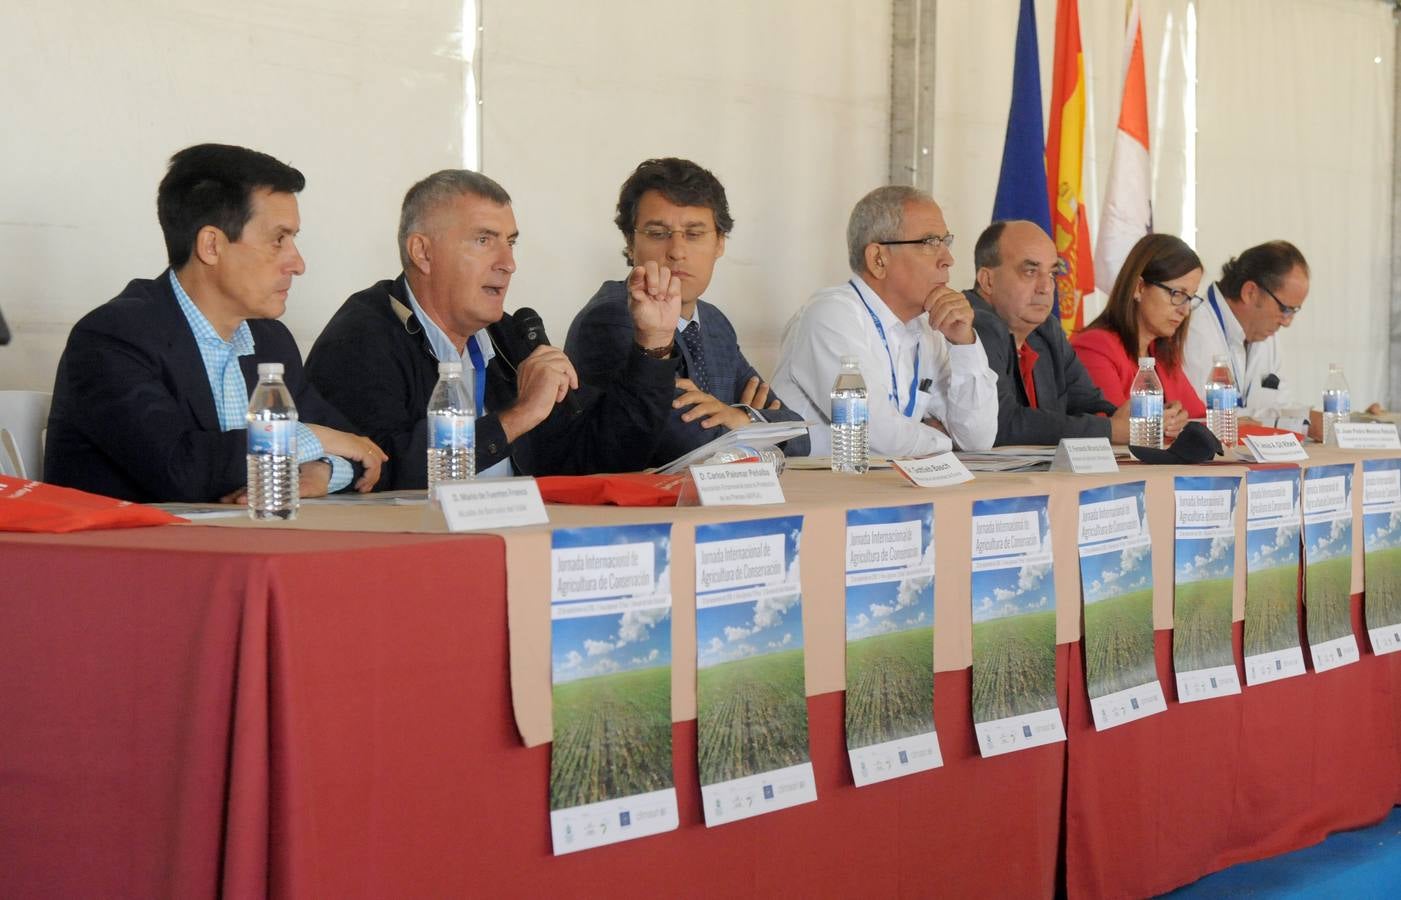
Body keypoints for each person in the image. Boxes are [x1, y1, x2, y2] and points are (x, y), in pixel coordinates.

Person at [45, 143, 386, 503]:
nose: (297, 263)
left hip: (243, 546)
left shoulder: (270, 341)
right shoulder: (113, 338)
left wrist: (323, 471)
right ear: (211, 245)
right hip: (127, 553)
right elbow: (180, 471)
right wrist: (310, 439)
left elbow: (363, 453)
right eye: (278, 240)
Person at [305, 169, 682, 490]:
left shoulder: (507, 337)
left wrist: (654, 344)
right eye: (484, 240)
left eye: (511, 242)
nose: (508, 263)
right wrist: (517, 416)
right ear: (423, 253)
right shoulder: (363, 336)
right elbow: (380, 470)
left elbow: (603, 457)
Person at [565, 158, 809, 465]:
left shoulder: (715, 323)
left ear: (720, 243)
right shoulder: (612, 317)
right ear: (630, 242)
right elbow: (680, 442)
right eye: (657, 233)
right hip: (637, 509)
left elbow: (798, 434)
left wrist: (740, 416)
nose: (677, 251)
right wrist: (752, 427)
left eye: (694, 234)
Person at [770, 185, 998, 457]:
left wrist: (963, 344)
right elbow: (871, 433)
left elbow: (978, 440)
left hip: (883, 488)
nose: (948, 259)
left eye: (945, 242)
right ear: (878, 259)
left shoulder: (929, 328)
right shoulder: (831, 315)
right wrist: (943, 440)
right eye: (929, 243)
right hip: (819, 492)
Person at [968, 221, 1128, 444]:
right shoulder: (971, 326)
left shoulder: (1046, 330)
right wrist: (1113, 430)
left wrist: (1126, 417)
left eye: (1052, 273)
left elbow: (1092, 406)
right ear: (987, 280)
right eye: (1030, 271)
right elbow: (1003, 424)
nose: (1045, 287)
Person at [1070, 233, 1206, 439]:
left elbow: (1197, 417)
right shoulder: (1095, 346)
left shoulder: (1161, 351)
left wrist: (1179, 419)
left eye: (1190, 297)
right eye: (1177, 294)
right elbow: (1116, 429)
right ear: (1139, 288)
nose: (1185, 311)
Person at [1182, 241, 1309, 426]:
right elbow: (1206, 416)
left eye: (1293, 311)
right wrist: (1287, 420)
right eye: (1284, 309)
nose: (1287, 322)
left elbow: (1281, 404)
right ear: (1250, 292)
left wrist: (1309, 419)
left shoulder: (1266, 334)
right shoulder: (1193, 327)